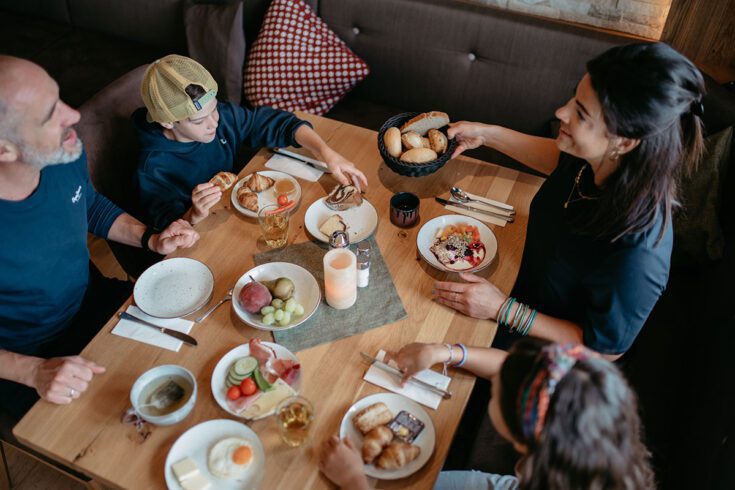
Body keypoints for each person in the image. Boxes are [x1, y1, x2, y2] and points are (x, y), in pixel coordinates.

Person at [431, 42, 705, 360]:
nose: (561, 112)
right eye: (575, 97)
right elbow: (556, 158)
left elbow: (602, 351)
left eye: (581, 112)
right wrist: (486, 134)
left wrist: (503, 310)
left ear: (625, 142)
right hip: (511, 286)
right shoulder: (593, 160)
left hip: (542, 354)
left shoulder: (641, 249)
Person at [0, 56, 200, 427]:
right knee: (121, 439)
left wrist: (149, 238)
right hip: (29, 356)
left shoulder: (60, 152)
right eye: (49, 116)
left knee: (197, 355)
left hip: (93, 303)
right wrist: (31, 372)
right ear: (3, 151)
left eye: (59, 98)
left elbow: (87, 203)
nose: (73, 115)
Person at [319, 338, 655, 489]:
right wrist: (444, 351)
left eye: (497, 391)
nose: (495, 382)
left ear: (517, 435)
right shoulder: (590, 454)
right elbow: (510, 367)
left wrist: (354, 482)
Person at [134, 55, 368, 230]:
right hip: (211, 236)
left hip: (247, 215)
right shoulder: (153, 167)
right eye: (200, 120)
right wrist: (193, 215)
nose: (214, 123)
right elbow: (166, 231)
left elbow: (277, 123)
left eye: (214, 109)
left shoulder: (222, 116)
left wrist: (327, 153)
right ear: (167, 123)